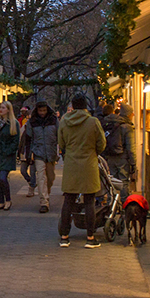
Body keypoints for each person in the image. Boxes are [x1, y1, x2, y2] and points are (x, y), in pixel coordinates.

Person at [57, 94, 106, 248]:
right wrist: (93, 152)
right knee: (90, 200)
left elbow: (61, 143)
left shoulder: (65, 121)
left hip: (71, 164)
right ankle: (90, 237)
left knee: (68, 200)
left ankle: (64, 236)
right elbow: (102, 143)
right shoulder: (93, 122)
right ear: (85, 106)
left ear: (73, 105)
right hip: (89, 164)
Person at [28, 100, 59, 213]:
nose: (42, 113)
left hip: (51, 153)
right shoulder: (32, 122)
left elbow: (58, 135)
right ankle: (44, 202)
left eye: (44, 110)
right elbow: (29, 138)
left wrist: (59, 151)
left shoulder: (54, 120)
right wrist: (28, 154)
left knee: (50, 177)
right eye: (40, 110)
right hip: (38, 152)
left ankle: (47, 192)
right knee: (41, 177)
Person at [0, 102, 19, 211]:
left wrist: (8, 151)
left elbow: (15, 141)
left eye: (3, 108)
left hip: (6, 155)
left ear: (8, 110)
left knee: (2, 177)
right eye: (0, 107)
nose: (1, 109)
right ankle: (1, 201)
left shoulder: (13, 123)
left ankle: (8, 200)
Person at [102, 102, 137, 188]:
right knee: (123, 182)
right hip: (122, 159)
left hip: (110, 156)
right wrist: (133, 163)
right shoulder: (127, 127)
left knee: (112, 181)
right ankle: (124, 201)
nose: (133, 115)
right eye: (132, 113)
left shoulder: (113, 123)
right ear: (128, 114)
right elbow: (131, 148)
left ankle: (113, 200)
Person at [17, 106, 36, 197]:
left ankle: (31, 188)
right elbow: (20, 139)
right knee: (23, 170)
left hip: (32, 152)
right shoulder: (24, 127)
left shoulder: (36, 128)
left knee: (33, 171)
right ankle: (30, 181)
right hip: (24, 152)